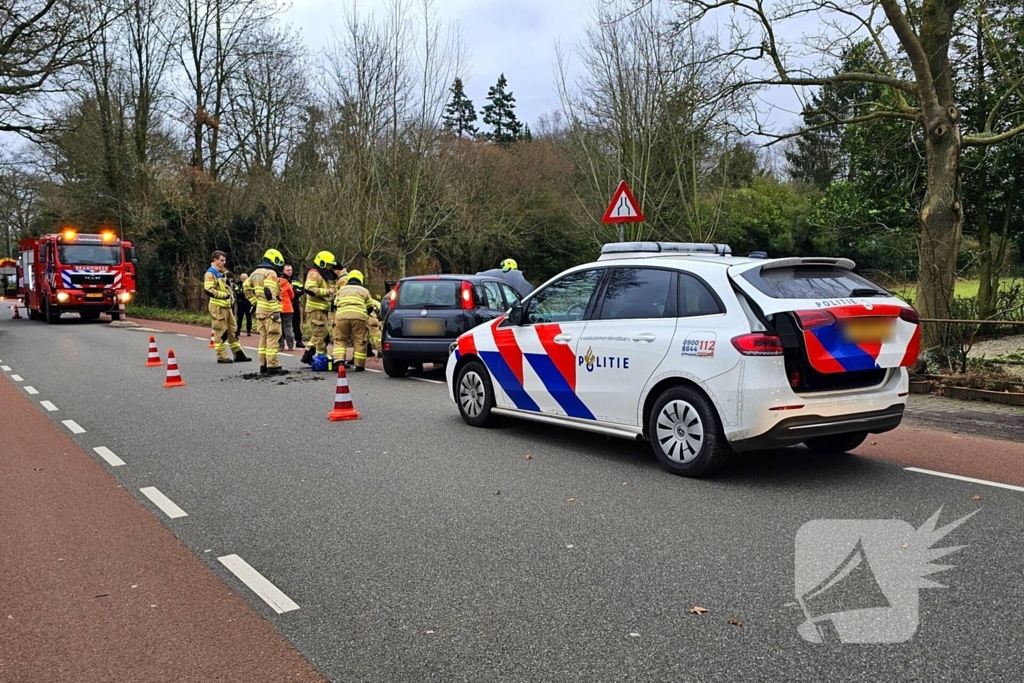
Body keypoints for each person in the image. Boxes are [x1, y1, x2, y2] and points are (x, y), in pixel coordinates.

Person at [244, 248, 287, 375]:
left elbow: (245, 287)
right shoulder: (270, 272)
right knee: (273, 337)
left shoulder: (255, 272)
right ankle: (273, 365)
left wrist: (254, 301)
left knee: (263, 338)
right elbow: (269, 291)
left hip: (260, 310)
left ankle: (263, 365)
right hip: (270, 310)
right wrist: (275, 309)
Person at [204, 251, 251, 364]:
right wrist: (224, 295)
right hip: (218, 307)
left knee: (233, 330)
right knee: (221, 331)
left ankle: (238, 353)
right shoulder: (210, 273)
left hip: (227, 306)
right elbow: (209, 290)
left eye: (224, 260)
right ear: (215, 260)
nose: (224, 262)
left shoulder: (223, 272)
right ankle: (222, 356)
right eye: (221, 260)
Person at [331, 270, 380, 372]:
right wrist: (364, 315)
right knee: (360, 340)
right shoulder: (364, 291)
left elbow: (334, 305)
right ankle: (359, 365)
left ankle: (339, 362)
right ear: (360, 280)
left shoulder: (341, 290)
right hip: (359, 318)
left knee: (340, 339)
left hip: (342, 317)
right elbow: (370, 307)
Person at [301, 251, 343, 365]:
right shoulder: (314, 274)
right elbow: (309, 288)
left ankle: (308, 354)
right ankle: (321, 358)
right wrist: (328, 291)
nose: (330, 267)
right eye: (329, 265)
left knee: (320, 333)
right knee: (321, 335)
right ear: (322, 263)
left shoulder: (321, 274)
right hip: (315, 310)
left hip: (320, 309)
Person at [284, 264, 305, 348]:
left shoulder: (295, 279)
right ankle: (281, 341)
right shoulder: (281, 279)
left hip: (294, 303)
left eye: (290, 270)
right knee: (284, 323)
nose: (289, 272)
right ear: (283, 271)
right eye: (287, 270)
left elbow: (302, 290)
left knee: (296, 322)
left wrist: (295, 291)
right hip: (285, 304)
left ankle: (299, 340)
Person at [278, 273, 295, 351]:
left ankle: (281, 345)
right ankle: (290, 345)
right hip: (288, 308)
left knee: (279, 327)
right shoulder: (287, 284)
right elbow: (292, 295)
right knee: (288, 327)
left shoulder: (274, 284)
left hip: (278, 307)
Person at [234, 273, 253, 337]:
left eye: (244, 279)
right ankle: (238, 330)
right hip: (240, 302)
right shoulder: (237, 284)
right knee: (239, 317)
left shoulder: (250, 284)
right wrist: (243, 292)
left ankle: (249, 330)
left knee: (249, 316)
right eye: (242, 279)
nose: (243, 280)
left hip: (248, 302)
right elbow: (237, 291)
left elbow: (252, 291)